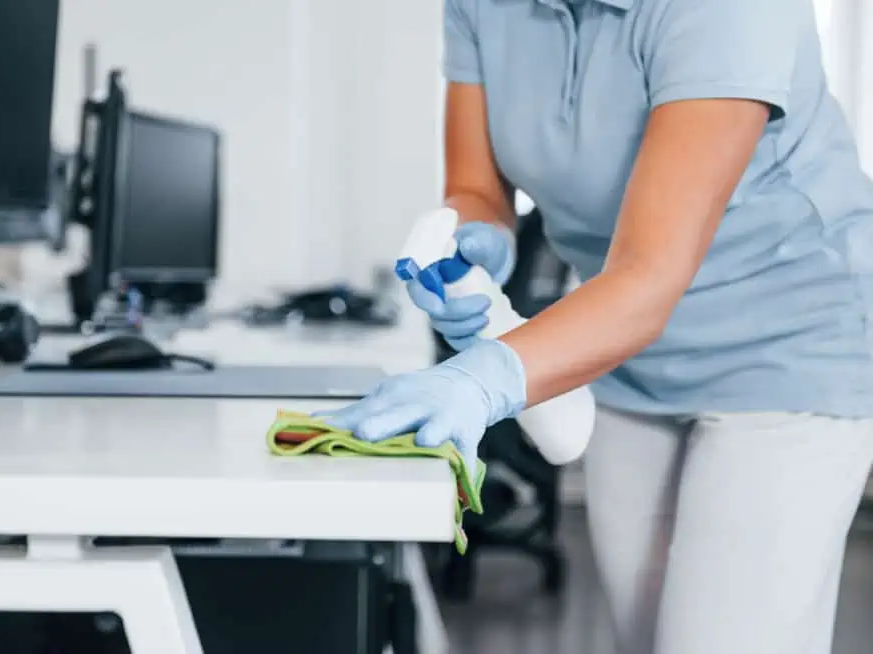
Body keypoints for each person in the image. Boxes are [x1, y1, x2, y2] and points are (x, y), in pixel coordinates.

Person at [320, 0, 873, 652]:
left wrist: (487, 377)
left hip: (790, 346)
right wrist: (475, 239)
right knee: (646, 638)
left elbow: (649, 275)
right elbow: (477, 184)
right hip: (625, 357)